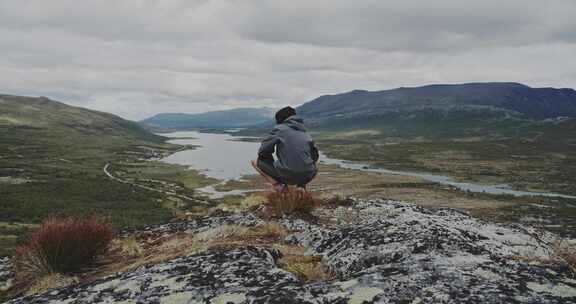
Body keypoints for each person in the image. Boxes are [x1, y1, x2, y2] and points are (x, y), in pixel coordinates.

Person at [251, 106, 319, 191]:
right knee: (309, 166)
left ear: (280, 120)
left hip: (288, 175)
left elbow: (263, 150)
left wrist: (269, 161)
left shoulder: (279, 129)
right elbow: (315, 156)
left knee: (255, 161)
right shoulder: (304, 132)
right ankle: (301, 186)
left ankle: (279, 186)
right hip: (309, 174)